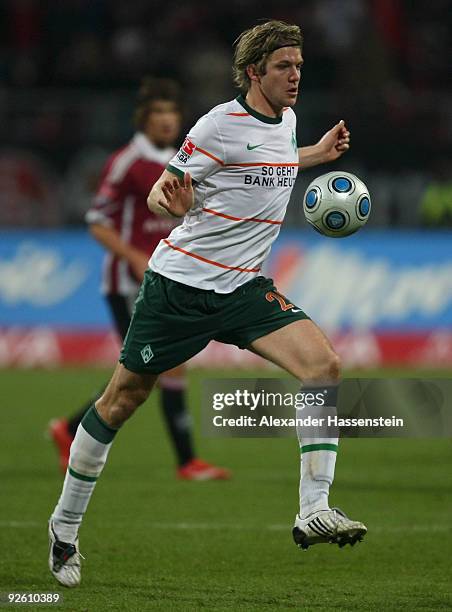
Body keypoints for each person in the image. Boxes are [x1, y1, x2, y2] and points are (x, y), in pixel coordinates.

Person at [48, 20, 367, 588]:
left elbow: (273, 163)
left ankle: (312, 509)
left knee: (324, 366)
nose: (296, 76)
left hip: (244, 289)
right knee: (123, 399)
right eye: (283, 67)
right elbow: (163, 188)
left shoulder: (286, 121)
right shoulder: (218, 125)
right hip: (180, 288)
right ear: (253, 73)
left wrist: (315, 153)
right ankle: (64, 528)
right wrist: (170, 202)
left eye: (298, 65)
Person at [48, 77, 230, 482]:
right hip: (127, 283)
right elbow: (96, 221)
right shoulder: (126, 161)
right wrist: (132, 256)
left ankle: (72, 429)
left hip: (166, 277)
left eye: (172, 112)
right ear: (144, 119)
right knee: (156, 369)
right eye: (158, 113)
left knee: (150, 371)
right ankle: (186, 462)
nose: (167, 120)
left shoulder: (183, 161)